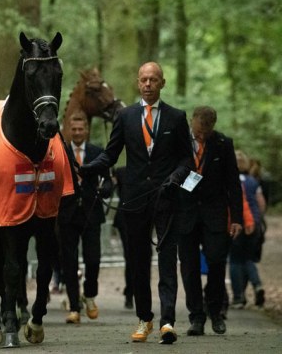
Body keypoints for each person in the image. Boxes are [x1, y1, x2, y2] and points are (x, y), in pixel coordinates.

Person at [80, 62, 193, 344]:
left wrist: (175, 178)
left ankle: (168, 321)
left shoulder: (177, 118)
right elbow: (110, 154)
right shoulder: (126, 116)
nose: (148, 84)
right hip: (134, 201)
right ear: (137, 83)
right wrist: (87, 168)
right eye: (143, 79)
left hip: (167, 199)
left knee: (167, 259)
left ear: (162, 83)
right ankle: (145, 319)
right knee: (138, 261)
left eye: (153, 80)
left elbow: (187, 159)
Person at [174, 106, 243, 337]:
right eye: (198, 132)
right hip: (186, 215)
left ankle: (215, 310)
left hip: (215, 215)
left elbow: (234, 183)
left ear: (213, 127)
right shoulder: (180, 141)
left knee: (216, 261)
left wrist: (237, 218)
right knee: (189, 266)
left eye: (206, 132)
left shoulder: (223, 144)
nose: (201, 136)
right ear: (192, 122)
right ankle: (196, 317)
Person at [58, 113, 113, 324]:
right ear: (69, 130)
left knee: (93, 260)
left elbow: (108, 182)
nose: (78, 132)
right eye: (74, 129)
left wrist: (104, 190)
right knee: (69, 262)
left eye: (81, 129)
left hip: (92, 213)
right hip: (67, 215)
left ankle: (89, 295)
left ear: (87, 131)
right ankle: (74, 307)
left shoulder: (98, 152)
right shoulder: (61, 153)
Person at [230, 150, 266, 309]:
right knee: (248, 258)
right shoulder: (252, 181)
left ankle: (238, 297)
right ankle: (257, 284)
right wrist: (258, 219)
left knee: (235, 260)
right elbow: (261, 203)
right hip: (254, 225)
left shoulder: (228, 179)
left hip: (235, 224)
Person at [113, 166, 134, 309]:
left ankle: (132, 291)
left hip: (142, 214)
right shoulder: (120, 172)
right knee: (130, 257)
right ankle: (130, 292)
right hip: (125, 217)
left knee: (139, 256)